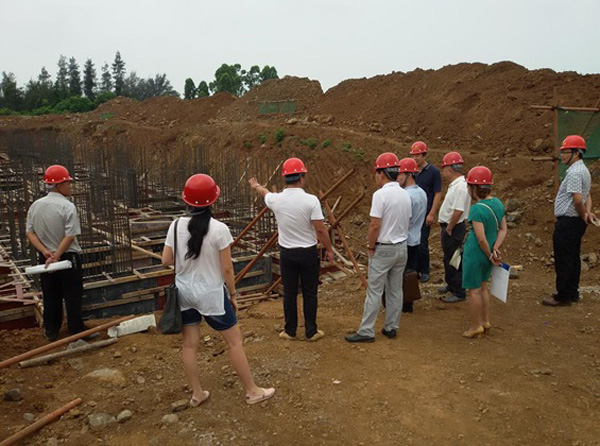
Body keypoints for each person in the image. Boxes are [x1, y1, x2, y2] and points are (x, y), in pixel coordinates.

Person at [162, 174, 275, 406]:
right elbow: (227, 269)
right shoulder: (219, 229)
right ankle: (252, 390)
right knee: (234, 342)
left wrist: (188, 260)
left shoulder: (175, 226)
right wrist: (232, 294)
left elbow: (166, 260)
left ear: (186, 200)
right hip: (211, 295)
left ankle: (197, 393)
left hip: (184, 293)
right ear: (213, 200)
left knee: (189, 344)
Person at [249, 158, 333, 341]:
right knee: (310, 293)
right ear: (302, 177)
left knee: (289, 293)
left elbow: (265, 193)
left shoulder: (276, 199)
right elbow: (320, 229)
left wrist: (256, 186)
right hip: (308, 253)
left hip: (287, 254)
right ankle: (311, 331)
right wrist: (329, 249)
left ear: (284, 178)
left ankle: (290, 331)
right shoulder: (311, 201)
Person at [345, 153, 411, 342]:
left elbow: (375, 225)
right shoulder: (405, 194)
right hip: (401, 247)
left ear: (381, 173)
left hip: (384, 248)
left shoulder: (380, 195)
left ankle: (366, 331)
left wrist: (371, 247)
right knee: (395, 290)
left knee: (374, 290)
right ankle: (391, 327)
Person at [26, 165, 88, 342]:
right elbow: (70, 235)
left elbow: (29, 232)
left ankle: (51, 331)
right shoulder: (67, 206)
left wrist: (45, 251)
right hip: (67, 257)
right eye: (68, 183)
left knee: (50, 294)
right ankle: (76, 329)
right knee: (72, 294)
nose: (70, 186)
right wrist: (57, 255)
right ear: (59, 185)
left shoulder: (35, 206)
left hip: (46, 259)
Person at [542, 135, 596, 307]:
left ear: (576, 153)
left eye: (566, 152)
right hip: (576, 222)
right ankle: (572, 292)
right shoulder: (584, 170)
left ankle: (563, 295)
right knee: (573, 257)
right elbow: (588, 196)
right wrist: (587, 214)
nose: (562, 155)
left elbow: (578, 199)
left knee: (564, 259)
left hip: (568, 222)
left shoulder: (574, 173)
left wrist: (583, 214)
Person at [461, 166, 507, 338]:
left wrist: (488, 253)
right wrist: (495, 249)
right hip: (489, 253)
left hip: (476, 254)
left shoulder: (477, 209)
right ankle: (485, 321)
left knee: (473, 290)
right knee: (483, 287)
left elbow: (480, 239)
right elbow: (503, 229)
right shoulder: (497, 204)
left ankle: (475, 326)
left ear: (474, 188)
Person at [438, 151, 471, 303]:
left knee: (454, 260)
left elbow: (458, 210)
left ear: (449, 169)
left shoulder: (460, 187)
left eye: (444, 169)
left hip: (454, 227)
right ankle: (451, 285)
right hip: (450, 226)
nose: (443, 173)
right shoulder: (456, 185)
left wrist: (450, 227)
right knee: (448, 258)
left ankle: (459, 291)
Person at [397, 158, 427, 313]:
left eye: (400, 174)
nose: (397, 177)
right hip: (416, 238)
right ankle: (408, 303)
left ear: (409, 175)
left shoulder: (406, 196)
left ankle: (404, 303)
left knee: (402, 273)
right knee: (411, 272)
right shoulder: (422, 193)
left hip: (405, 239)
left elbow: (404, 220)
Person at [411, 141, 442, 283]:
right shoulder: (412, 172)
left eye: (418, 155)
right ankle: (414, 270)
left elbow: (437, 193)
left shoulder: (433, 172)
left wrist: (431, 213)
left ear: (424, 155)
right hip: (413, 214)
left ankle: (424, 270)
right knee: (412, 242)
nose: (415, 158)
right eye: (413, 155)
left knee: (422, 242)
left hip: (425, 214)